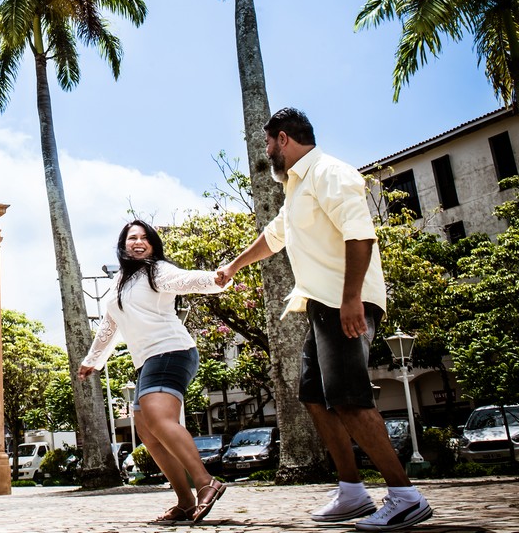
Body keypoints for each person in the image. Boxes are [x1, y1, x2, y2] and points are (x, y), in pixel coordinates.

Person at [216, 108, 432, 531]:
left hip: (343, 301)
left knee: (349, 398)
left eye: (266, 144)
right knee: (315, 396)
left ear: (283, 139)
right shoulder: (297, 188)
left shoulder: (330, 173)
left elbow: (360, 234)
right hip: (319, 303)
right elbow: (274, 236)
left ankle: (405, 496)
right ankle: (352, 491)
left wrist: (351, 298)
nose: (266, 152)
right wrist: (234, 267)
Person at [77, 220, 228, 525]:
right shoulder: (119, 282)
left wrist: (216, 280)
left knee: (158, 418)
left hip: (171, 350)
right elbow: (111, 324)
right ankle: (185, 502)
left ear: (153, 245)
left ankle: (205, 482)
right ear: (123, 245)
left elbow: (186, 280)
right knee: (146, 428)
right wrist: (93, 359)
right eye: (132, 237)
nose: (138, 241)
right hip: (149, 360)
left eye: (145, 238)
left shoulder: (157, 270)